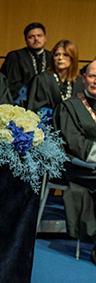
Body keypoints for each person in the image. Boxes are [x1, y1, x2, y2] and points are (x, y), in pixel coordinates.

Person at [53, 59, 96, 267]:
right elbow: (73, 142)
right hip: (77, 165)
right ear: (84, 78)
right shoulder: (69, 106)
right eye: (93, 76)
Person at [27, 39, 83, 113]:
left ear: (73, 58)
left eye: (65, 55)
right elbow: (34, 109)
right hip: (48, 122)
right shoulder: (41, 80)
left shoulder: (80, 82)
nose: (60, 58)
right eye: (57, 55)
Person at [0, 22, 51, 103]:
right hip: (22, 102)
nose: (36, 39)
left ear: (45, 38)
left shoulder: (52, 57)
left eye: (39, 36)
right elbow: (11, 84)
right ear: (26, 40)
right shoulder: (15, 56)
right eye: (31, 37)